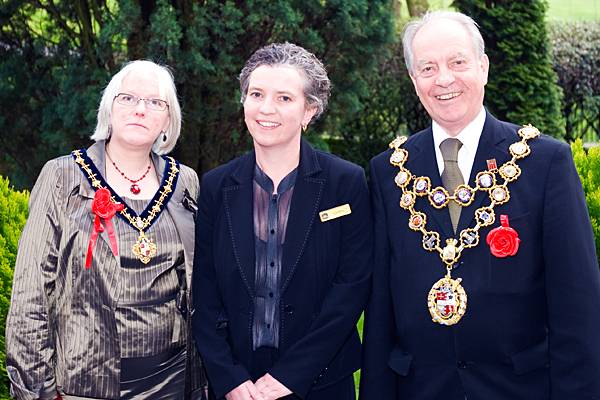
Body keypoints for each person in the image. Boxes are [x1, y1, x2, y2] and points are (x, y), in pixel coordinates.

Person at [360, 10, 600, 400]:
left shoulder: (543, 162)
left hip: (519, 389)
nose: (444, 79)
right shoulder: (389, 172)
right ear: (414, 80)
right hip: (420, 390)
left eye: (457, 62)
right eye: (428, 67)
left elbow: (577, 305)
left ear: (483, 67)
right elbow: (381, 308)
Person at [6, 60, 208, 399]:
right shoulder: (62, 177)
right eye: (127, 98)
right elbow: (31, 293)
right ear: (108, 108)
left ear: (168, 120)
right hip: (85, 384)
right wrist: (36, 390)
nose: (140, 110)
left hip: (174, 380)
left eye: (155, 102)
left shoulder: (186, 181)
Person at [192, 42, 372, 400]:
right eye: (256, 94)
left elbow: (352, 286)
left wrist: (293, 374)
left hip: (320, 382)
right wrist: (228, 378)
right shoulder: (215, 186)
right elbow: (205, 288)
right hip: (236, 385)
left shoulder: (345, 183)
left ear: (310, 111)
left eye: (285, 98)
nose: (266, 109)